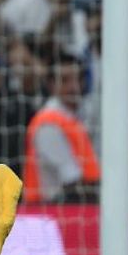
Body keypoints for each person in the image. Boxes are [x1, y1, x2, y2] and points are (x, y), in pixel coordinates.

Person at [23, 53, 100, 203]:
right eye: (65, 80)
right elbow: (72, 181)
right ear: (51, 85)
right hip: (52, 212)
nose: (74, 87)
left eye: (78, 79)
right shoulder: (48, 124)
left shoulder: (74, 117)